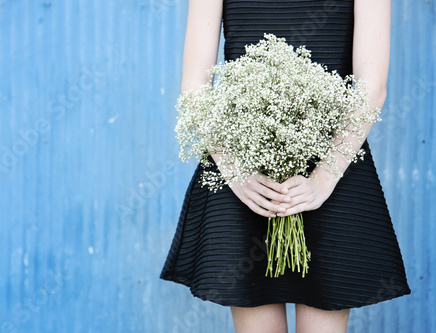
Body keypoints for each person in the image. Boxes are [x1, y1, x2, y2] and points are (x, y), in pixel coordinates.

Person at [161, 1, 411, 332]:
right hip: (245, 173)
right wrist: (237, 171)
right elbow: (194, 89)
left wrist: (323, 178)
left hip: (334, 166)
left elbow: (371, 87)